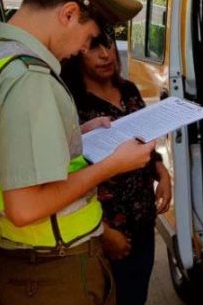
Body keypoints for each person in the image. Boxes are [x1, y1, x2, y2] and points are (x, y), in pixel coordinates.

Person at [0, 0, 156, 305]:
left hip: (20, 260)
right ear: (69, 14)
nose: (83, 49)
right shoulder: (30, 80)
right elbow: (26, 207)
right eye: (89, 37)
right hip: (52, 271)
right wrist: (112, 165)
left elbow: (1, 146)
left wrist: (76, 133)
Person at [61, 31, 172, 305]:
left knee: (137, 296)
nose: (106, 54)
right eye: (94, 48)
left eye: (108, 45)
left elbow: (145, 141)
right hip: (105, 231)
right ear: (76, 53)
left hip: (143, 221)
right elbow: (66, 179)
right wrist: (104, 232)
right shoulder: (71, 106)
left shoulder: (129, 91)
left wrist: (162, 174)